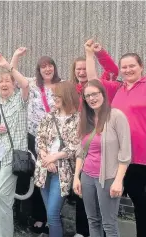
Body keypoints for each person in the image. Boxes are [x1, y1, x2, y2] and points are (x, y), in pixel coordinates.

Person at [86, 43, 146, 237]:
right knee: (112, 207)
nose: (128, 70)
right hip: (118, 159)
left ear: (141, 67)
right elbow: (93, 81)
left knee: (142, 206)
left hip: (141, 158)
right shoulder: (117, 89)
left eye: (132, 66)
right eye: (124, 67)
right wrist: (93, 53)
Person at [70, 39, 120, 237]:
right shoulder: (73, 90)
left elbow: (112, 70)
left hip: (104, 148)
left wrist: (97, 53)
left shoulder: (103, 85)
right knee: (85, 198)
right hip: (84, 144)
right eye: (78, 69)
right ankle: (83, 232)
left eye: (85, 68)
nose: (82, 72)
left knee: (106, 216)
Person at [73, 80, 131, 237]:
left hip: (108, 178)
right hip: (87, 176)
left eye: (94, 94)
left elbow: (125, 154)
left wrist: (118, 181)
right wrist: (76, 177)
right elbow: (81, 151)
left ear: (103, 94)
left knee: (109, 224)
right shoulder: (86, 119)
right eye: (87, 96)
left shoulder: (116, 116)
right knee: (93, 221)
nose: (91, 98)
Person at [0, 48, 30, 237]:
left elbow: (26, 84)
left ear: (13, 85)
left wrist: (9, 64)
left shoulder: (20, 101)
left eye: (7, 81)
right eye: (1, 81)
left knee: (2, 196)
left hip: (11, 158)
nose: (4, 84)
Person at [17, 55, 61, 233]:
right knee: (38, 178)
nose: (47, 69)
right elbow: (16, 77)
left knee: (54, 177)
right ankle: (39, 217)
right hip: (34, 136)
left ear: (54, 68)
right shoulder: (33, 84)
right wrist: (13, 60)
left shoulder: (62, 85)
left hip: (56, 139)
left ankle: (53, 218)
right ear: (39, 70)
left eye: (50, 66)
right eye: (43, 67)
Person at [34, 81, 80, 237]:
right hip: (43, 168)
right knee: (50, 214)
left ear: (67, 95)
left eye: (57, 95)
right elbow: (39, 138)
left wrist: (55, 157)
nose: (54, 98)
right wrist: (46, 158)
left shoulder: (77, 119)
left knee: (53, 214)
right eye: (53, 95)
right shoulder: (49, 115)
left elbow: (75, 146)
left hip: (62, 172)